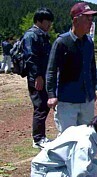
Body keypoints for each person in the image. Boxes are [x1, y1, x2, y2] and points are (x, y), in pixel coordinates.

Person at [46, 2, 97, 134]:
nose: (90, 22)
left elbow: (92, 67)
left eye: (91, 19)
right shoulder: (61, 42)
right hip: (67, 100)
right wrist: (51, 95)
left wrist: (92, 89)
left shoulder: (89, 42)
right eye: (87, 19)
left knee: (86, 136)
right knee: (67, 138)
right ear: (76, 20)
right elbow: (51, 70)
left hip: (87, 99)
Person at [22, 8, 54, 149]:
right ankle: (38, 139)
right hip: (37, 77)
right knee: (40, 106)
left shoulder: (42, 35)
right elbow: (31, 57)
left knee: (44, 106)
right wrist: (38, 76)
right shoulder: (31, 35)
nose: (50, 25)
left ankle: (40, 136)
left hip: (44, 75)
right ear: (39, 21)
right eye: (48, 21)